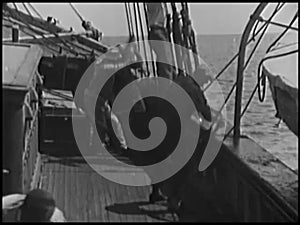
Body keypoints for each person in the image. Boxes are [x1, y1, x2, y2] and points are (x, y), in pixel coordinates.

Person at [146, 3, 174, 80]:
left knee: (165, 61)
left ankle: (166, 83)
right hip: (158, 31)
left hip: (161, 31)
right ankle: (167, 87)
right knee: (165, 61)